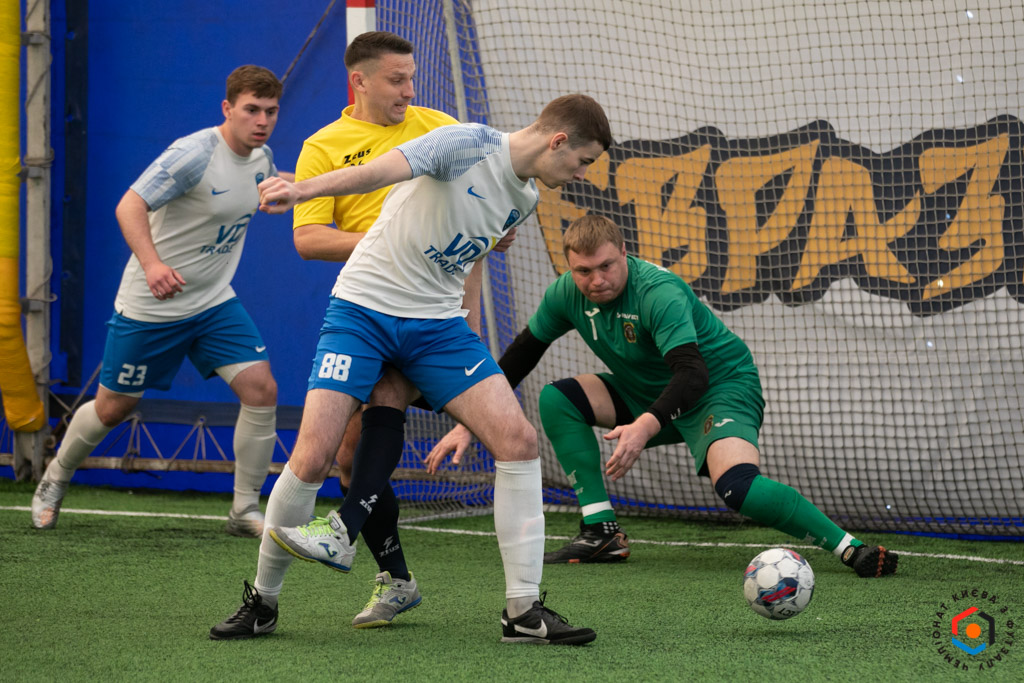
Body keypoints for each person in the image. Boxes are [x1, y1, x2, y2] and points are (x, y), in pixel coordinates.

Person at [209, 93, 612, 644]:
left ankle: (522, 612)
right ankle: (263, 603)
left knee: (518, 441)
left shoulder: (524, 198)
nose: (583, 174)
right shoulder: (465, 142)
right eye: (584, 161)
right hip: (363, 310)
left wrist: (471, 344)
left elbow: (469, 262)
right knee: (314, 455)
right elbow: (378, 172)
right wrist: (302, 190)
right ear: (558, 141)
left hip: (438, 327)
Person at [425, 214, 900, 578]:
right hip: (645, 392)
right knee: (557, 399)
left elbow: (692, 375)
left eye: (606, 266)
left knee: (736, 488)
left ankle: (850, 549)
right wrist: (470, 421)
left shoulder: (659, 292)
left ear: (624, 253)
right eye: (583, 271)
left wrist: (644, 426)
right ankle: (601, 531)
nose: (596, 280)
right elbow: (521, 355)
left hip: (718, 388)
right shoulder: (567, 293)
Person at [31, 65, 291, 538]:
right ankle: (55, 477)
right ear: (227, 108)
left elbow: (272, 183)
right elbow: (129, 205)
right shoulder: (193, 154)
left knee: (261, 390)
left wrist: (313, 187)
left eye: (271, 112)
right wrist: (152, 265)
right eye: (251, 110)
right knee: (113, 408)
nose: (262, 121)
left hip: (212, 301)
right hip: (153, 306)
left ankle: (244, 510)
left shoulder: (263, 157)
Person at [286, 30, 487, 629]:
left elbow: (481, 209)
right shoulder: (323, 146)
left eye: (411, 77)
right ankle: (396, 578)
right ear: (361, 81)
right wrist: (390, 244)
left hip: (432, 311)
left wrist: (469, 295)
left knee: (388, 400)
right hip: (367, 306)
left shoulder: (439, 127)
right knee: (347, 459)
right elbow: (308, 239)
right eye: (397, 80)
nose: (409, 90)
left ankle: (521, 600)